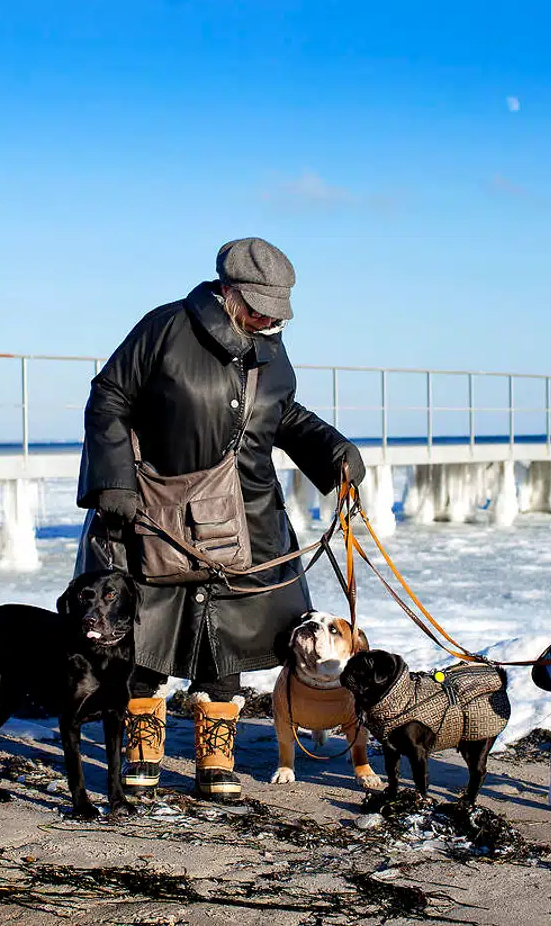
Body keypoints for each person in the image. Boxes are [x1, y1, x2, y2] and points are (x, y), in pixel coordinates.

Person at [75, 237, 365, 802]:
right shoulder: (164, 328)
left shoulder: (270, 346)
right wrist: (113, 482)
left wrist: (333, 452)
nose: (270, 320)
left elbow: (282, 415)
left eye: (277, 311)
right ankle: (143, 750)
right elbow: (108, 398)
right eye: (260, 307)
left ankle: (215, 757)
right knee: (148, 633)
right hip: (158, 511)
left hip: (249, 518)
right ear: (230, 293)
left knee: (224, 641)